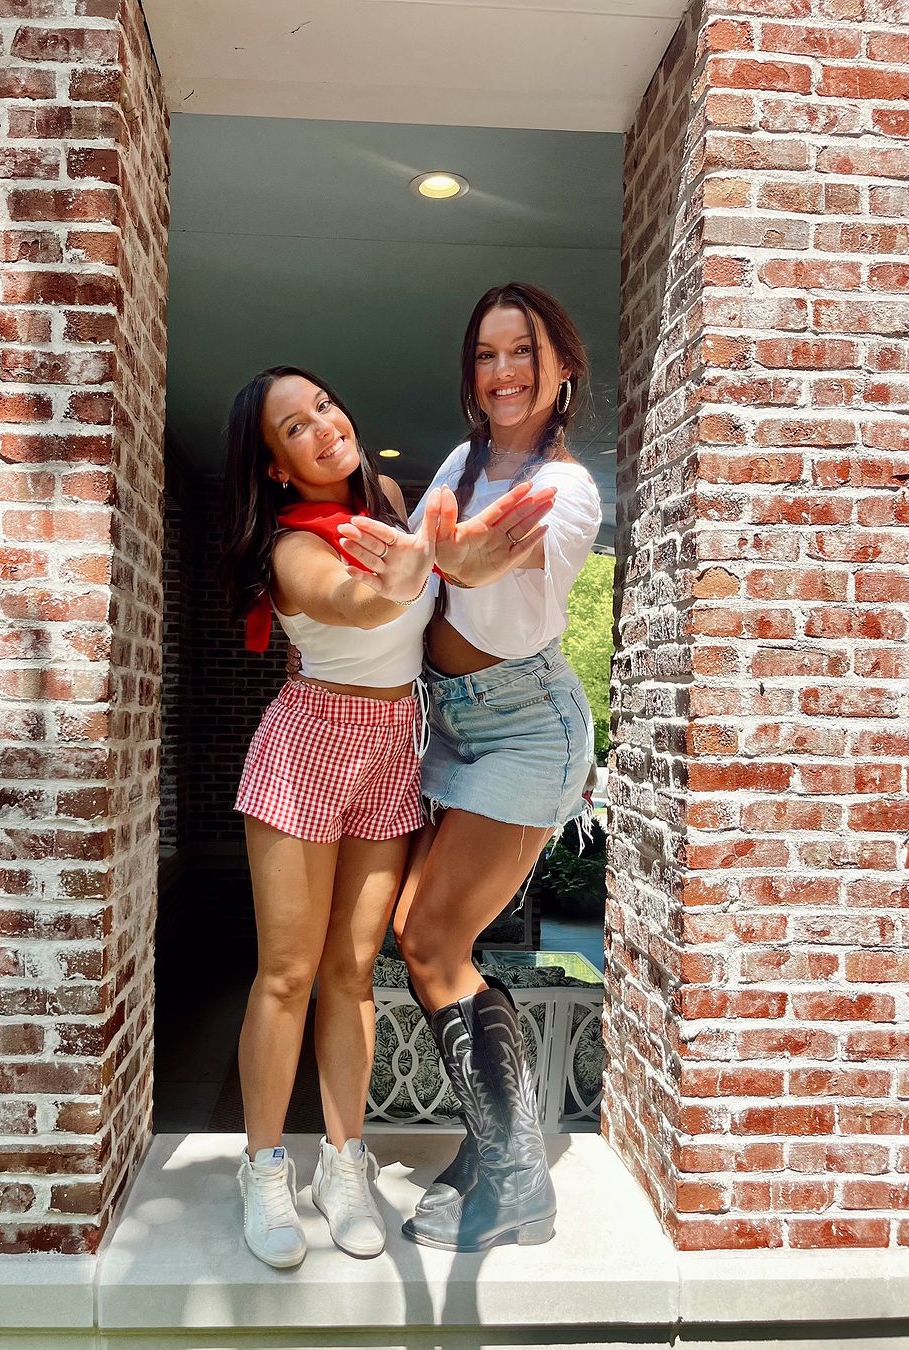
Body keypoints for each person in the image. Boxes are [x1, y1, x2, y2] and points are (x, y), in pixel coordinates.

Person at [219, 364, 552, 1269]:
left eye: (324, 405)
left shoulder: (393, 503)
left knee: (353, 970)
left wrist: (454, 556)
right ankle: (263, 1170)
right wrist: (406, 576)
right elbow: (353, 601)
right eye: (295, 428)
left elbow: (435, 590)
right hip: (309, 746)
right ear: (278, 465)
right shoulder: (292, 546)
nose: (324, 426)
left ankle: (343, 1166)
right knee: (287, 974)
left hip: (392, 746)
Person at [339, 282, 602, 1252]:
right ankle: (499, 1154)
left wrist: (461, 558)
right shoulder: (462, 461)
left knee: (430, 939)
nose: (503, 371)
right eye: (487, 354)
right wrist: (410, 558)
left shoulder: (568, 491)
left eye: (522, 350)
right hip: (452, 723)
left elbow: (491, 577)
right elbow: (425, 572)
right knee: (424, 940)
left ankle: (517, 1182)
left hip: (526, 726)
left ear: (561, 365)